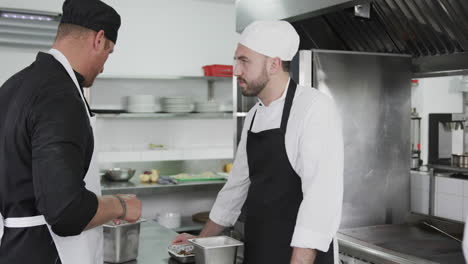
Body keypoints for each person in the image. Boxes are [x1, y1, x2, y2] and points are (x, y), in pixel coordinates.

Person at [173, 20, 344, 264]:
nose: (235, 70)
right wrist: (200, 242)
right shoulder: (254, 115)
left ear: (273, 64)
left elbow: (320, 199)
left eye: (244, 61)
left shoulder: (313, 108)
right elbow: (235, 187)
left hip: (300, 256)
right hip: (260, 248)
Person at [0, 0, 142, 263]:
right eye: (108, 52)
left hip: (13, 248)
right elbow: (67, 212)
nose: (103, 67)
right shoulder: (60, 96)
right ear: (99, 39)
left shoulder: (12, 86)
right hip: (47, 251)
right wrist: (120, 205)